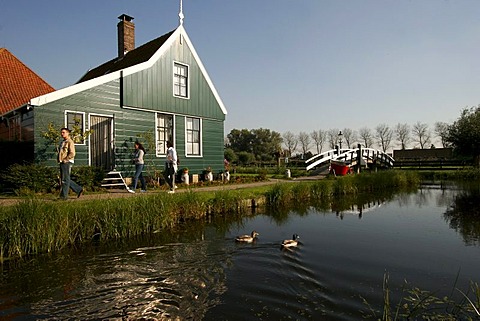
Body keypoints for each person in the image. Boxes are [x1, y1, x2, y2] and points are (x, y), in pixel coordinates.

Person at [58, 127, 83, 200]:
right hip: (62, 161)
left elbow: (72, 153)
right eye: (61, 132)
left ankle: (64, 197)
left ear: (68, 133)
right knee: (65, 178)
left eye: (63, 132)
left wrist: (66, 159)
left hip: (67, 162)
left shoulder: (70, 142)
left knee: (65, 180)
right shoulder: (63, 142)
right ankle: (78, 189)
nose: (62, 134)